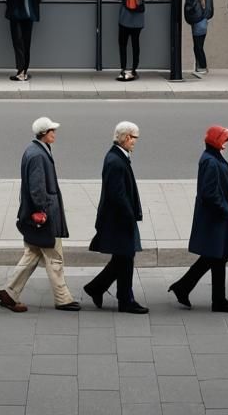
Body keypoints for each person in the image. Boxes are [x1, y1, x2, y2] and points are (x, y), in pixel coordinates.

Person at [0, 117, 80, 313]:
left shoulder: (35, 150)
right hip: (44, 217)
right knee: (55, 257)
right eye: (52, 130)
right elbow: (37, 188)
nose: (55, 133)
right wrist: (43, 211)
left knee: (33, 254)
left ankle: (10, 293)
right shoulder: (37, 155)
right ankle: (63, 299)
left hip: (39, 215)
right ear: (44, 133)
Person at [168, 125, 228, 313]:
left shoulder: (212, 157)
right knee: (216, 256)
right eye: (224, 139)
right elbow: (209, 193)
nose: (226, 143)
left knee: (217, 256)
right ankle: (214, 299)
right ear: (216, 140)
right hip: (214, 217)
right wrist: (226, 209)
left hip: (216, 216)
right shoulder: (210, 161)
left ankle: (191, 290)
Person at [83, 122, 147, 314]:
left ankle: (96, 288)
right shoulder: (115, 161)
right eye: (135, 138)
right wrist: (129, 217)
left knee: (122, 259)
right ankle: (125, 301)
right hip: (119, 220)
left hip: (119, 219)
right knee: (126, 259)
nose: (136, 142)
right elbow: (117, 195)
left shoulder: (118, 157)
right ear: (127, 137)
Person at [1, 0, 43, 82]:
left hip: (15, 14)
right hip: (29, 15)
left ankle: (20, 72)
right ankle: (24, 71)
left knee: (18, 43)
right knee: (26, 43)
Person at [117, 0, 151, 81]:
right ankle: (134, 70)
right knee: (135, 44)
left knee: (122, 44)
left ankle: (123, 69)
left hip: (124, 17)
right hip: (138, 18)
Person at [184, 0, 214, 76]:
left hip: (200, 18)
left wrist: (204, 17)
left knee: (198, 45)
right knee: (197, 45)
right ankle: (199, 67)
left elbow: (207, 3)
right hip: (194, 18)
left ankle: (202, 67)